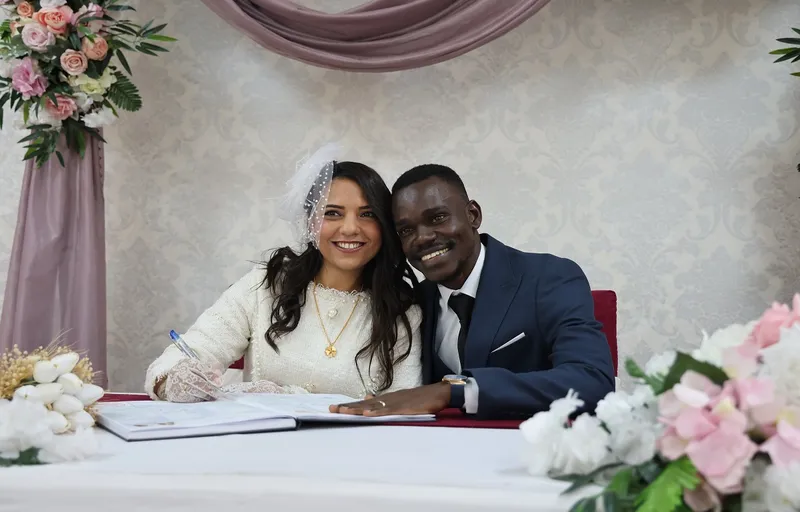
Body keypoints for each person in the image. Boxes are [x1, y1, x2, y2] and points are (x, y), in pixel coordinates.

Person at [330, 164, 614, 419]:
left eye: (438, 218)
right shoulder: (412, 302)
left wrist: (453, 391)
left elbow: (592, 380)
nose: (423, 237)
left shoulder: (548, 277)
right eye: (406, 231)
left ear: (473, 215)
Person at [144, 145, 422, 402]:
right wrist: (175, 379)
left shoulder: (402, 311)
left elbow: (402, 407)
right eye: (333, 213)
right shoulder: (266, 285)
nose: (350, 228)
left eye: (367, 214)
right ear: (310, 222)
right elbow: (180, 358)